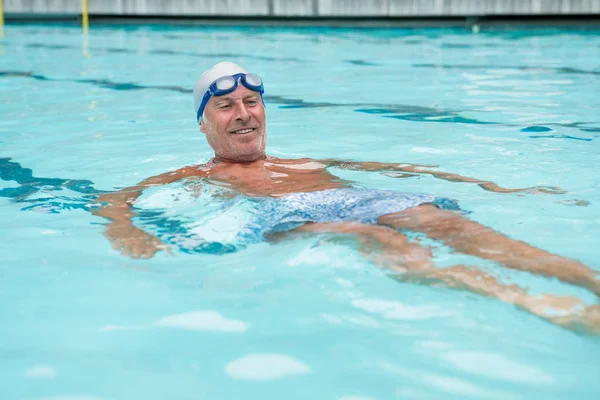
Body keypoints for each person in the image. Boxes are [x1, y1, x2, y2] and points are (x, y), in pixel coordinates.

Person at [92, 61, 599, 334]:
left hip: (360, 197)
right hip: (289, 216)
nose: (243, 113)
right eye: (225, 106)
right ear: (204, 125)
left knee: (451, 225)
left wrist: (493, 185)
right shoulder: (192, 171)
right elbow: (118, 197)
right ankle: (544, 307)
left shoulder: (306, 162)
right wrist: (126, 232)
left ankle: (589, 282)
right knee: (379, 241)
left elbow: (397, 169)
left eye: (251, 102)